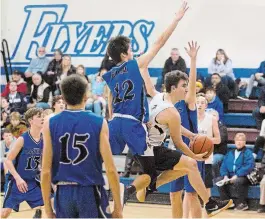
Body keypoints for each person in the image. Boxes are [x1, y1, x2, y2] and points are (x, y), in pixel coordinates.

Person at [102, 1, 190, 200]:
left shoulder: (110, 75)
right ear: (125, 54)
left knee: (105, 156)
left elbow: (109, 97)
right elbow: (158, 42)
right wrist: (175, 20)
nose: (133, 52)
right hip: (133, 125)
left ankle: (102, 188)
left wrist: (111, 116)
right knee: (150, 175)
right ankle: (128, 191)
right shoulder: (134, 65)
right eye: (131, 49)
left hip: (114, 122)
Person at [141, 64, 231, 217]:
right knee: (190, 167)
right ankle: (209, 203)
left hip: (149, 148)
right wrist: (195, 155)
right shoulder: (172, 110)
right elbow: (178, 142)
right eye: (184, 86)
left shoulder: (159, 97)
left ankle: (150, 185)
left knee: (188, 178)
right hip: (155, 149)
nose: (188, 89)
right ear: (173, 88)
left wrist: (144, 67)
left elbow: (176, 126)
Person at [41, 74, 122, 218]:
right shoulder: (99, 122)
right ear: (86, 96)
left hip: (63, 192)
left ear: (63, 98)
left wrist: (47, 208)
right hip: (89, 191)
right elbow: (110, 169)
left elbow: (45, 171)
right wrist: (118, 207)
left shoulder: (50, 123)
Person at [168, 41, 203, 218]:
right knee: (174, 193)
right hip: (175, 151)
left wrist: (193, 60)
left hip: (192, 150)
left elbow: (191, 85)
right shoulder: (167, 104)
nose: (185, 88)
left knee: (191, 194)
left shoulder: (188, 101)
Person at [1, 108, 44, 218]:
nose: (42, 118)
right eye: (39, 116)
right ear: (31, 120)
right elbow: (8, 160)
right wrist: (18, 178)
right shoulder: (23, 139)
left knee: (50, 206)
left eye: (43, 115)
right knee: (5, 213)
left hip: (32, 181)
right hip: (16, 181)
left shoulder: (44, 139)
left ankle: (37, 214)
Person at [219, 133, 255, 210]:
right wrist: (225, 176)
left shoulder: (248, 153)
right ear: (234, 142)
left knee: (238, 181)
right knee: (219, 180)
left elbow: (249, 166)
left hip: (244, 176)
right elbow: (224, 166)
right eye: (237, 140)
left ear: (245, 142)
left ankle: (243, 203)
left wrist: (237, 175)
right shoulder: (230, 153)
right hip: (230, 176)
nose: (239, 142)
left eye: (241, 140)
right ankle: (227, 203)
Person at [197, 95, 221, 199]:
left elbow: (218, 139)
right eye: (198, 102)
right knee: (192, 187)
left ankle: (208, 209)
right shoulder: (190, 118)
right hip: (192, 156)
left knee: (206, 186)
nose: (200, 104)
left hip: (206, 157)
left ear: (206, 105)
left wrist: (204, 140)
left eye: (202, 102)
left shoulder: (212, 119)